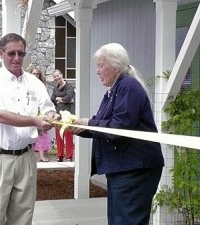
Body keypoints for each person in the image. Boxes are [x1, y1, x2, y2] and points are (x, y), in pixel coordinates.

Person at [68, 43, 164, 225]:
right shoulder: (114, 90)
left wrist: (89, 123)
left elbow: (118, 129)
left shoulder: (127, 86)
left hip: (134, 169)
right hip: (122, 168)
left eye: (100, 65)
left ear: (115, 65)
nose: (97, 71)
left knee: (127, 221)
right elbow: (103, 126)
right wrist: (79, 127)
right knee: (118, 220)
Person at [0, 33, 60, 225]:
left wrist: (51, 116)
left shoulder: (34, 82)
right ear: (1, 53)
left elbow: (48, 107)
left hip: (26, 157)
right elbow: (0, 115)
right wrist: (35, 121)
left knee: (23, 216)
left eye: (21, 54)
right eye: (11, 53)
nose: (16, 58)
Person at [51, 69, 75, 162]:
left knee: (68, 136)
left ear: (61, 75)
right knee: (59, 136)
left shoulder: (69, 86)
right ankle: (60, 156)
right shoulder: (55, 88)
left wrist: (60, 99)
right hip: (58, 115)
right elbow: (52, 99)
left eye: (58, 75)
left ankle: (69, 156)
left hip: (68, 115)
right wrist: (65, 100)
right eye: (55, 77)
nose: (57, 78)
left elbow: (69, 97)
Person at [31, 68, 52, 162]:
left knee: (42, 135)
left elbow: (45, 101)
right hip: (31, 113)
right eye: (33, 74)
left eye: (37, 74)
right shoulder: (28, 85)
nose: (35, 76)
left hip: (41, 113)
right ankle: (32, 155)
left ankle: (42, 155)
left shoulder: (43, 86)